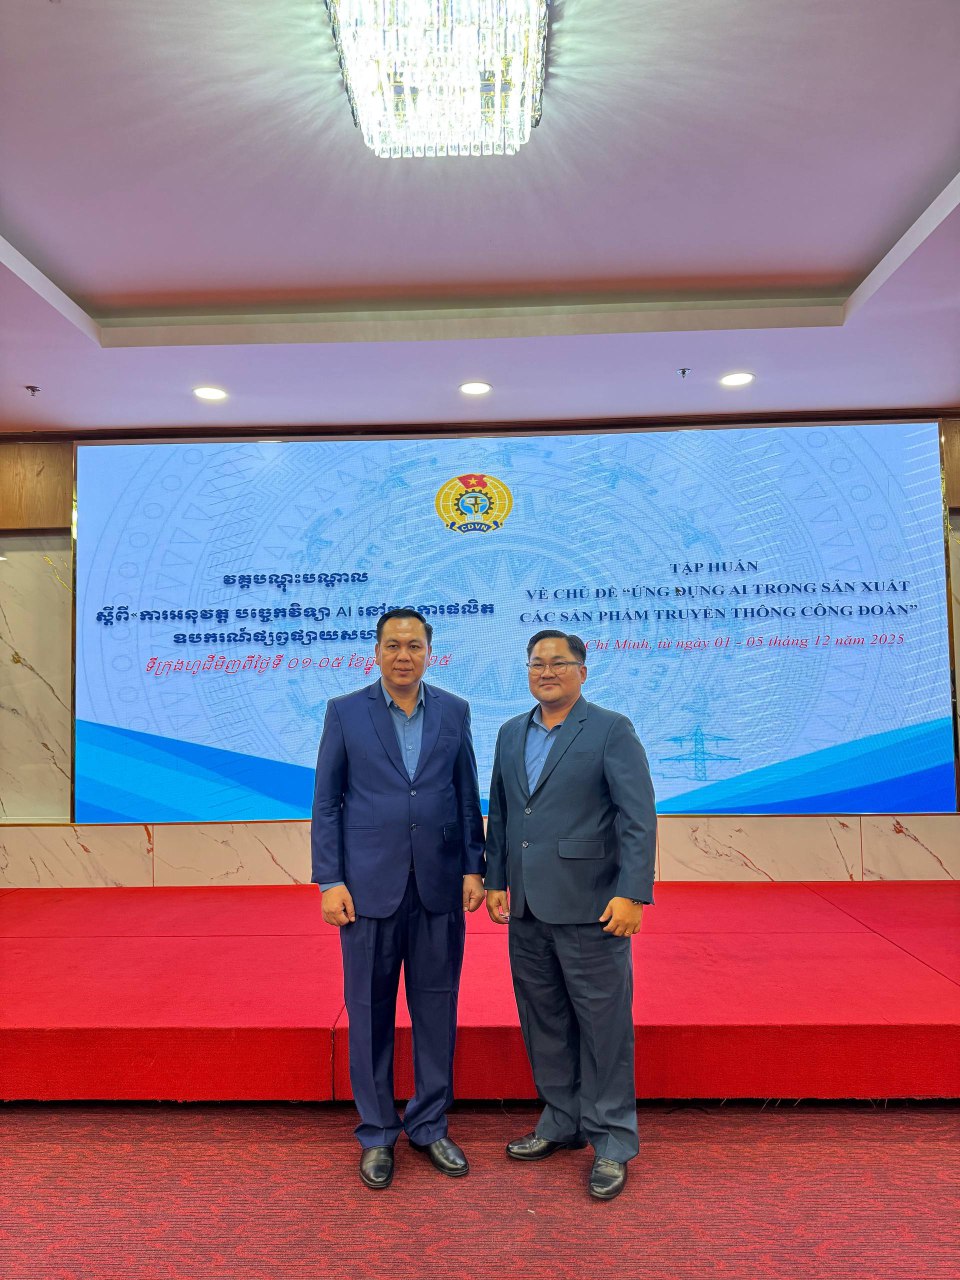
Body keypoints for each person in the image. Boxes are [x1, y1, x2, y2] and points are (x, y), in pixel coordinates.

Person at [311, 607, 485, 1190]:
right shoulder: (345, 712)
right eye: (393, 645)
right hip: (366, 888)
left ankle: (430, 1125)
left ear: (430, 652)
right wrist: (330, 880)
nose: (403, 655)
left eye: (414, 645)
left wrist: (474, 866)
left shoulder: (455, 711)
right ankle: (378, 1133)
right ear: (377, 652)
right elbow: (327, 802)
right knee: (368, 1012)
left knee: (437, 1009)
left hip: (439, 885)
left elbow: (466, 795)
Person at [484, 629, 656, 1201]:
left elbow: (637, 817)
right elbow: (504, 814)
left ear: (583, 670)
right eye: (537, 663)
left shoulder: (610, 729)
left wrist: (632, 893)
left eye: (559, 662)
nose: (547, 672)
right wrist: (496, 879)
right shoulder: (511, 732)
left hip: (592, 904)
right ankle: (561, 1120)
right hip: (527, 907)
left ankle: (612, 1141)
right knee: (544, 1019)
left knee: (603, 1028)